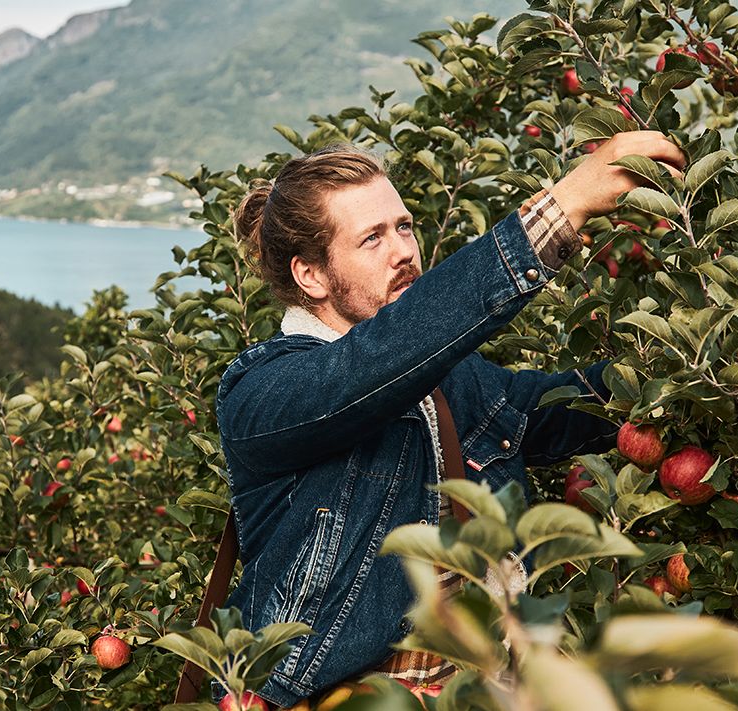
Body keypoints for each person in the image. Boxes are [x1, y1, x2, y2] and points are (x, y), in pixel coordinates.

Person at [213, 132, 687, 707]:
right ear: (311, 276)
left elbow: (562, 408)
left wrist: (686, 375)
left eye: (405, 226)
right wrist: (561, 209)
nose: (403, 252)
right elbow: (376, 360)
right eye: (371, 238)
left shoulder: (452, 381)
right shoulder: (265, 393)